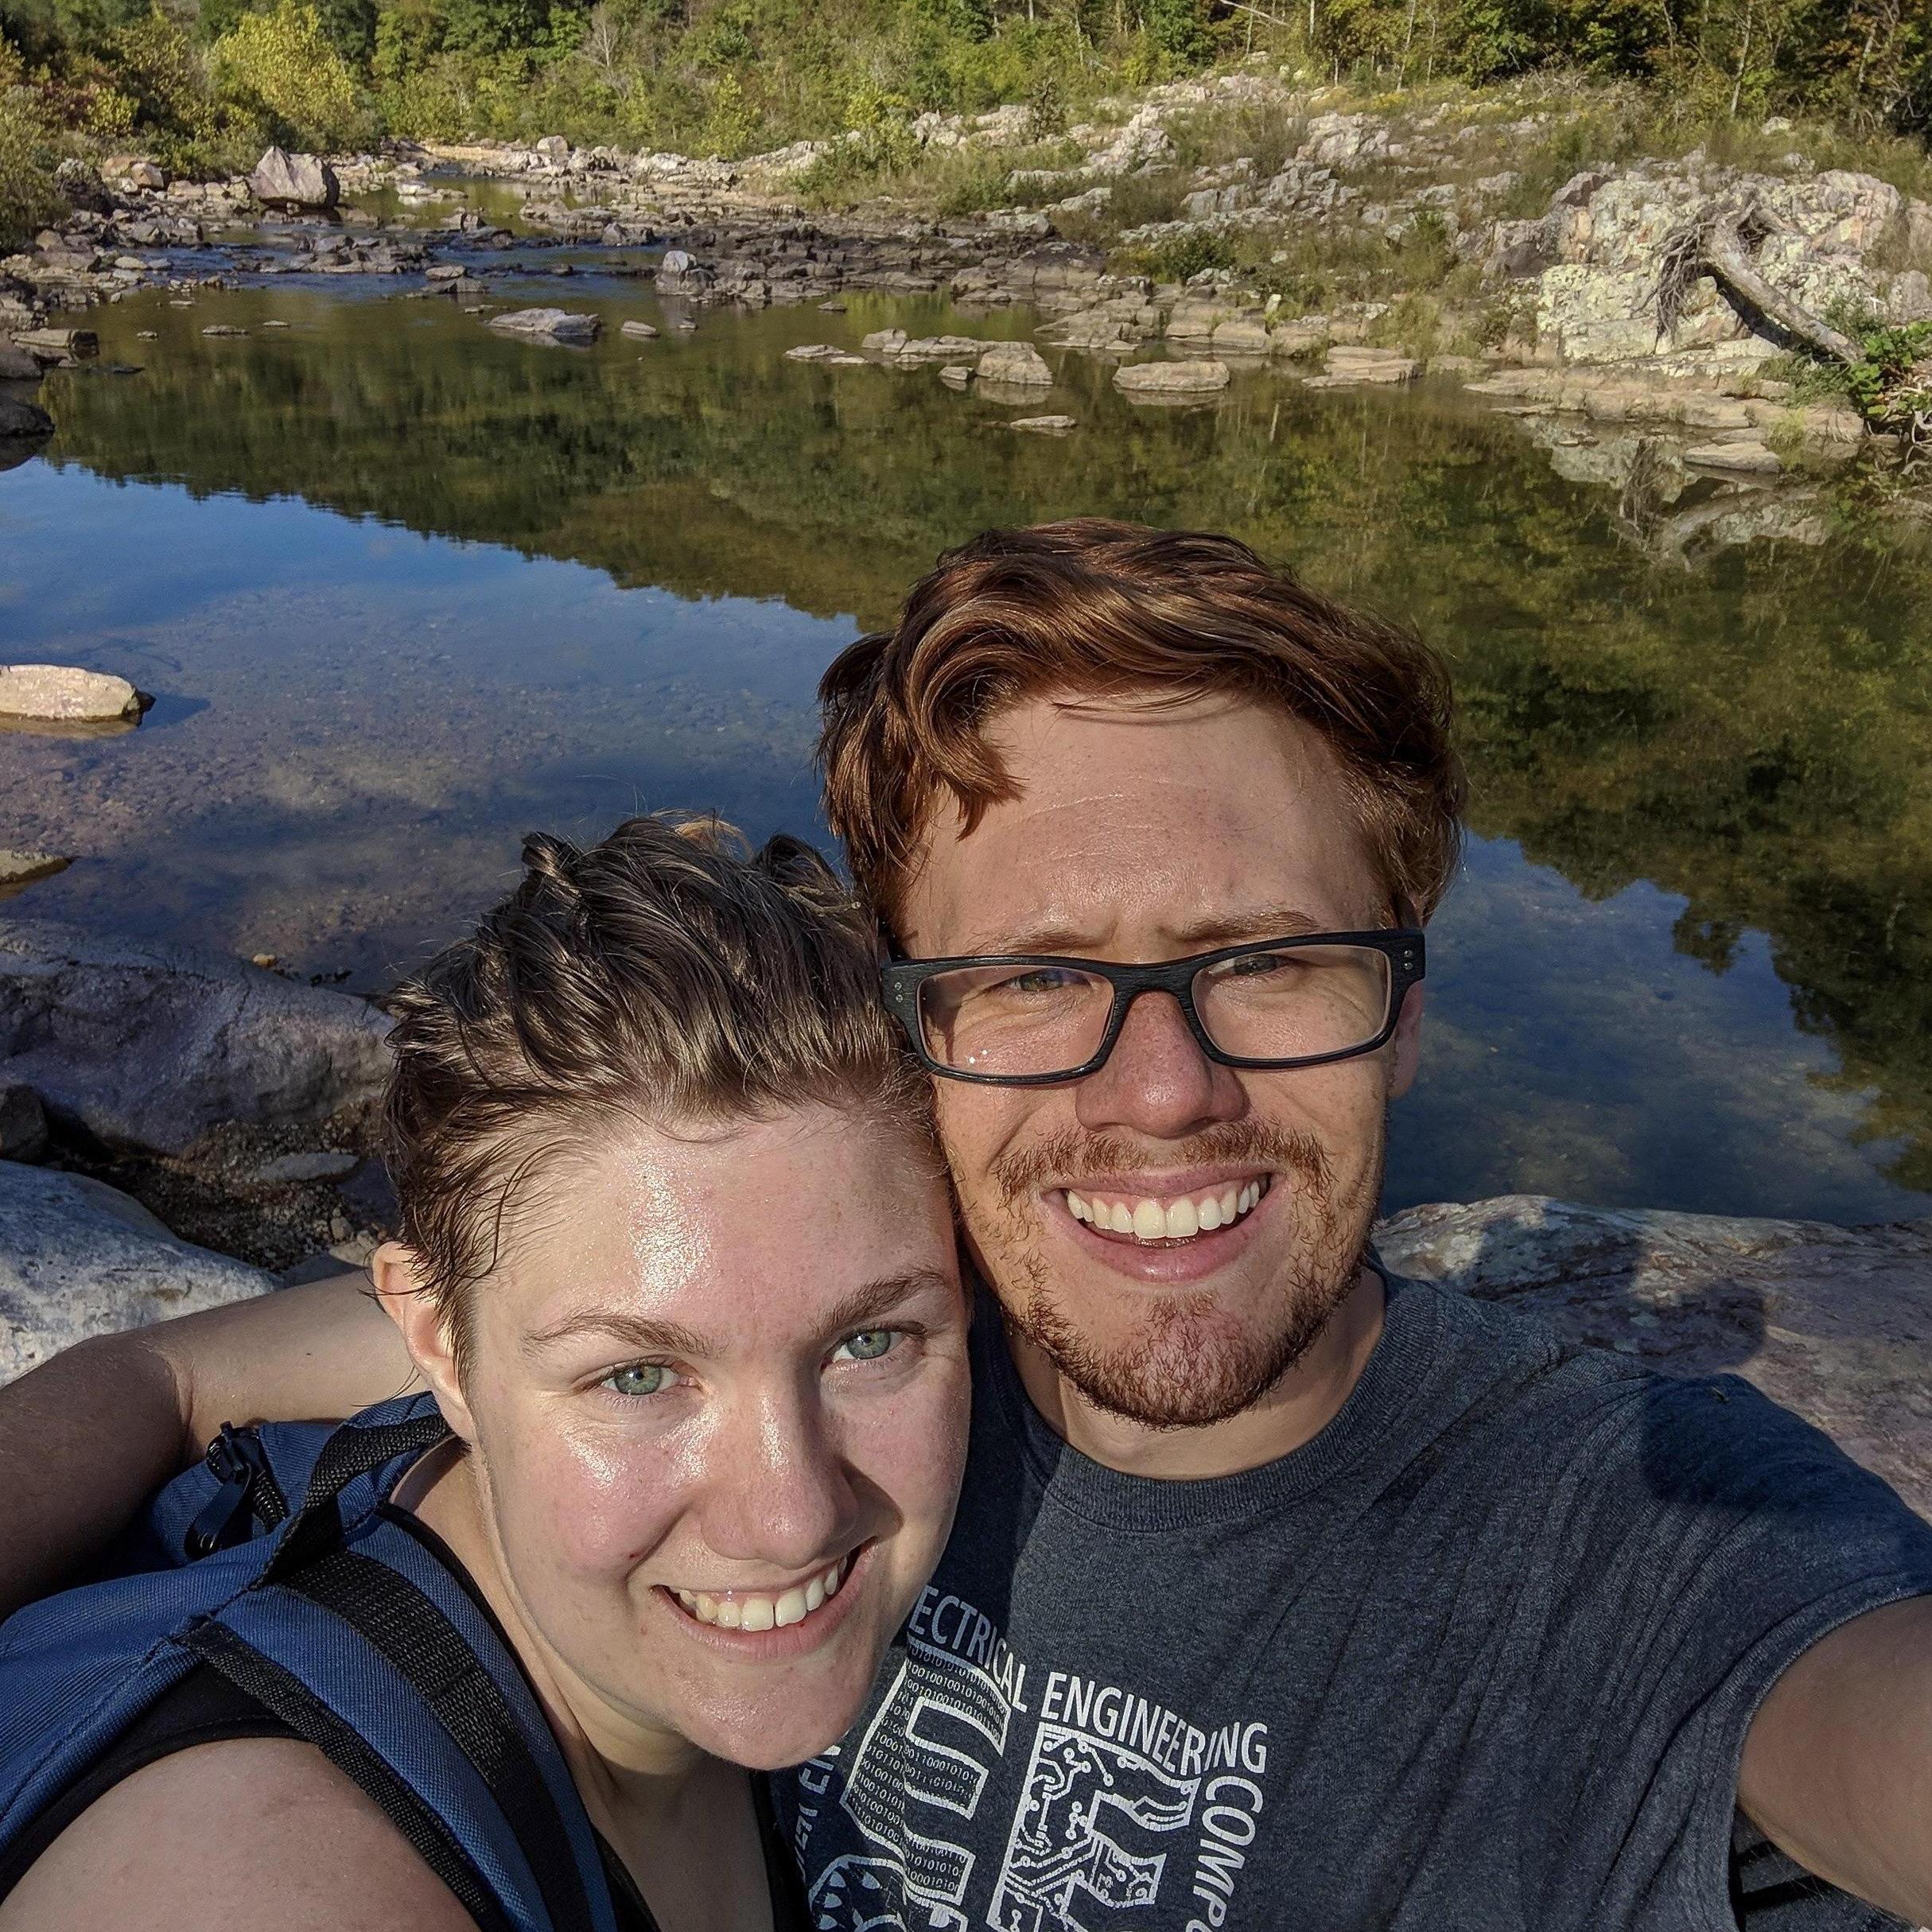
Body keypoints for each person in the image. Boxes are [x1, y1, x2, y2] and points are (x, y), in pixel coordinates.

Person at [3, 521, 1930, 1929]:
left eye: (1267, 960)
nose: (1159, 1091)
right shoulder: (858, 1297)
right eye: (1032, 978)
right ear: (921, 1025)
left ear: (1408, 1004)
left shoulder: (1642, 1553)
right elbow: (180, 1376)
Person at [0, 817, 973, 1932]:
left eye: (867, 1341)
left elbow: (168, 1367)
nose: (788, 1512)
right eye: (640, 1376)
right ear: (440, 1345)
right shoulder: (264, 1876)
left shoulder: (521, 1335)